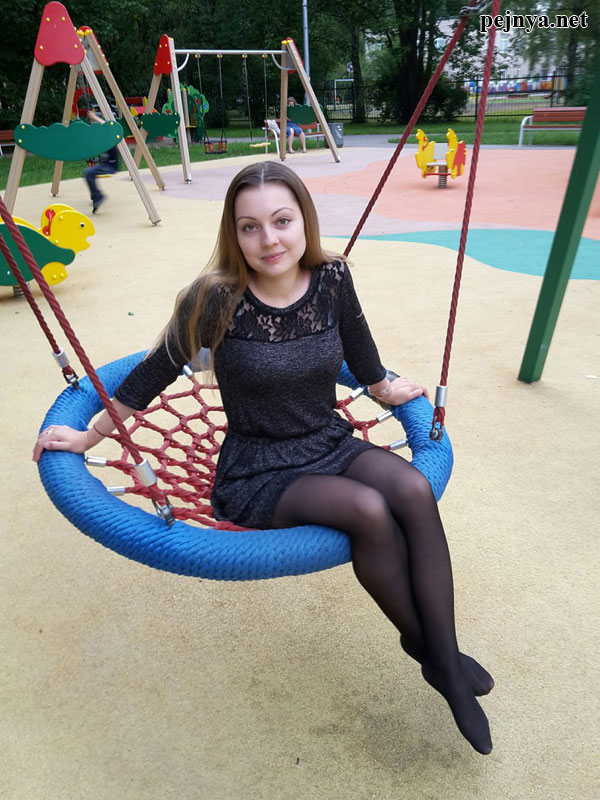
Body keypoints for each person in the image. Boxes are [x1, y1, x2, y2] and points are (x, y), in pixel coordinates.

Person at [33, 161, 493, 755]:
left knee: (411, 489)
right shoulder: (215, 298)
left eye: (281, 221)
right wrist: (89, 436)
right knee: (369, 512)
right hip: (258, 469)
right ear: (234, 233)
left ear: (304, 221)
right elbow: (152, 373)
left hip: (326, 439)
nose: (268, 240)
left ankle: (439, 655)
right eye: (249, 227)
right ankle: (437, 659)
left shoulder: (332, 279)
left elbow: (363, 356)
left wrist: (386, 388)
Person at [78, 96, 120, 214]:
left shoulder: (110, 137)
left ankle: (98, 196)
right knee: (88, 173)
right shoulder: (101, 140)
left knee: (88, 173)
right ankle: (95, 196)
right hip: (105, 165)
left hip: (111, 166)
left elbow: (108, 128)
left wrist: (94, 117)